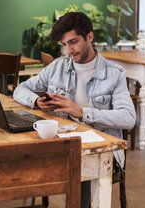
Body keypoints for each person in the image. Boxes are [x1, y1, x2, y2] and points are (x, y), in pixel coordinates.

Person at [13, 12, 136, 208]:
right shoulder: (57, 66)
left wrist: (81, 112)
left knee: (79, 168)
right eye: (64, 45)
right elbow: (20, 89)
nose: (69, 50)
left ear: (89, 36)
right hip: (61, 145)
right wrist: (37, 101)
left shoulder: (115, 74)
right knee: (22, 164)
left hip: (102, 153)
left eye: (73, 42)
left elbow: (129, 118)